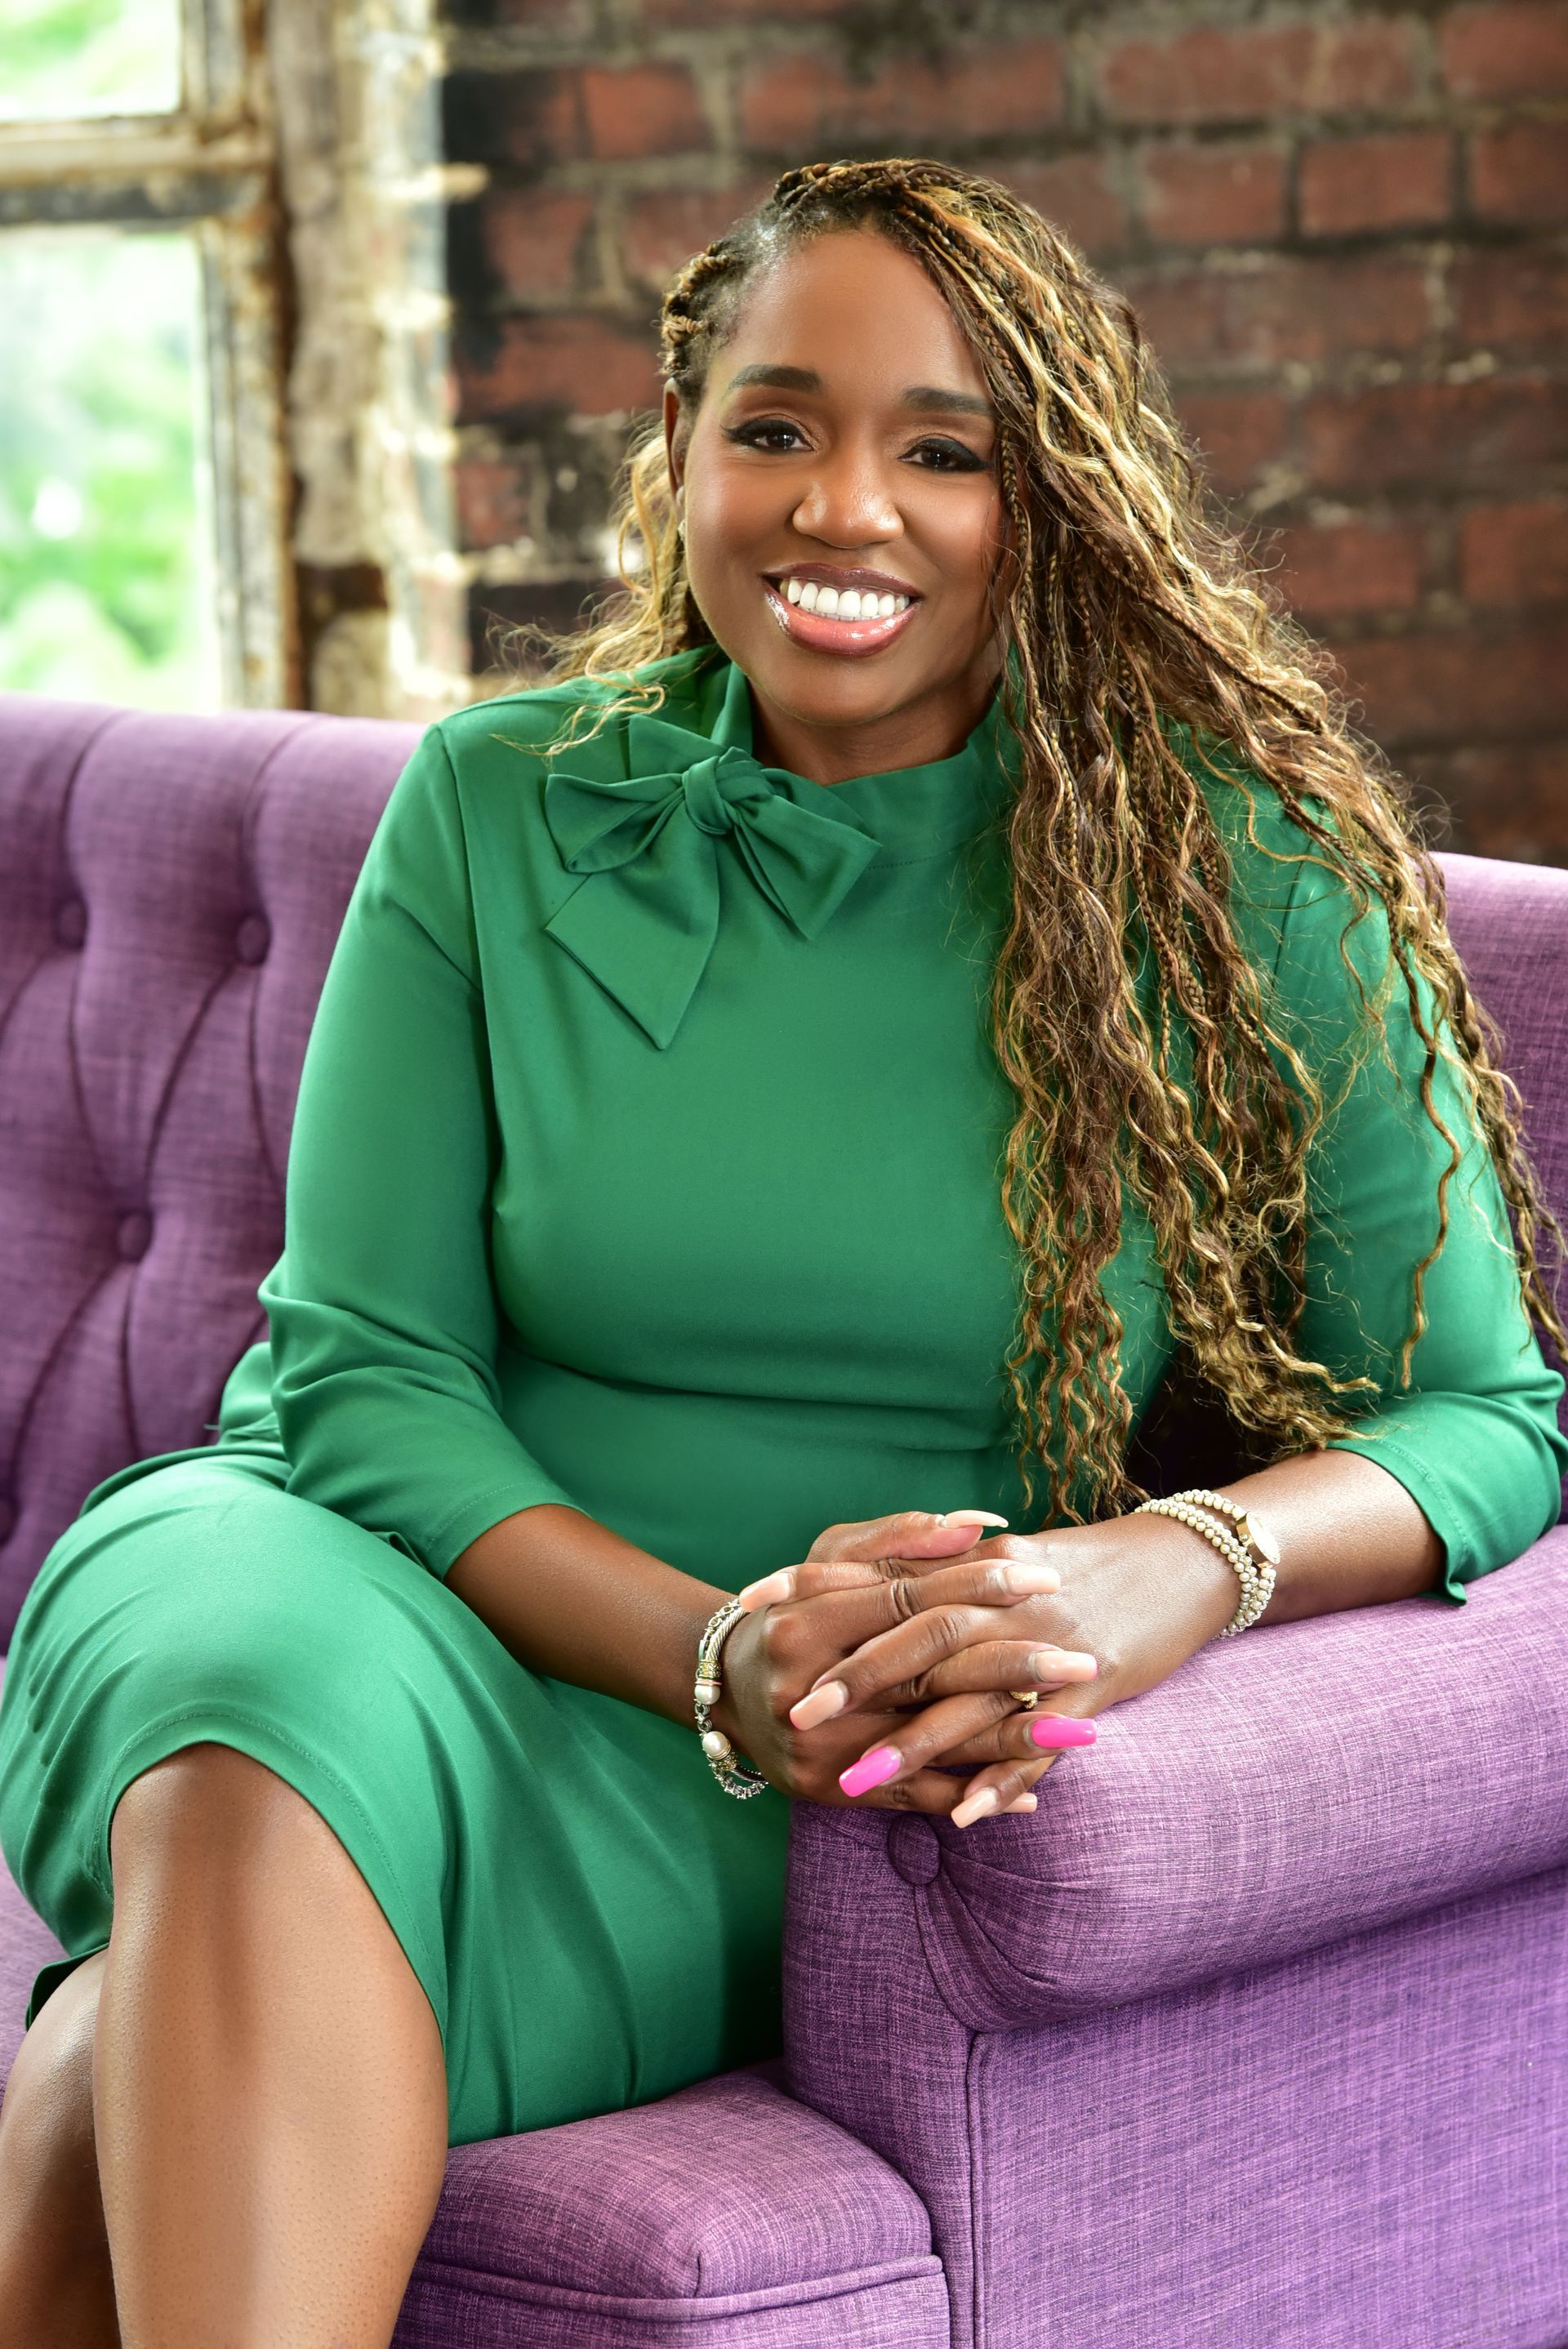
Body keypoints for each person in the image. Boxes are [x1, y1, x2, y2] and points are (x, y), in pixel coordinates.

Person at [0, 154, 1563, 2347]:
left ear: (1057, 500)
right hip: (371, 1580)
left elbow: (1493, 1413)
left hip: (784, 1776)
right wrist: (715, 1645)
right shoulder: (500, 802)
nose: (849, 507)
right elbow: (363, 1375)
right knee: (253, 1724)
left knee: (133, 2034)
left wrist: (1180, 1556)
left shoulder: (1244, 872)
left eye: (945, 450)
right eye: (778, 425)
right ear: (684, 451)